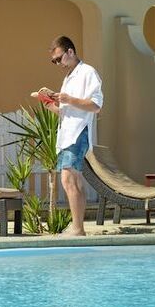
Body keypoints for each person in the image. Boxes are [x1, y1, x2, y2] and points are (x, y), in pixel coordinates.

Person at [39, 36, 103, 236]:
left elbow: (96, 105)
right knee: (74, 180)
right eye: (54, 61)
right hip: (68, 133)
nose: (58, 63)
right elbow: (68, 111)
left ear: (70, 52)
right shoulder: (69, 77)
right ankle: (79, 228)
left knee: (68, 179)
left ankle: (78, 229)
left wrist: (68, 98)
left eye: (59, 58)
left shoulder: (88, 72)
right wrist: (52, 106)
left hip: (78, 133)